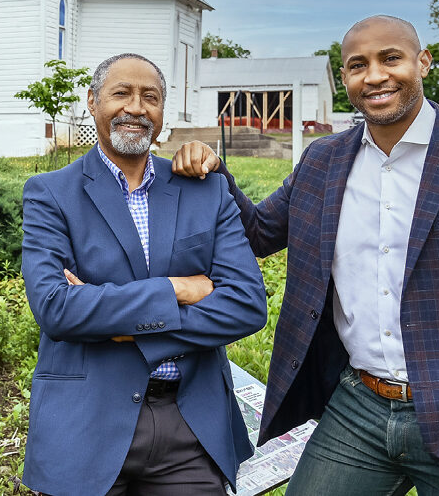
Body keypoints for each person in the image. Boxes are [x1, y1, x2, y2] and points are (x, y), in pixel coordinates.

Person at [171, 15, 439, 495]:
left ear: (422, 62)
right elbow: (258, 234)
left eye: (391, 58)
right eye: (357, 65)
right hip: (359, 405)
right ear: (345, 78)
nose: (375, 76)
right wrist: (215, 173)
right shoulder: (322, 161)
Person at [21, 53, 267, 496]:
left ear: (161, 112)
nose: (136, 107)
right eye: (121, 93)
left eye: (149, 97)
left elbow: (247, 306)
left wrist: (120, 322)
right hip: (85, 421)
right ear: (93, 101)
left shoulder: (205, 190)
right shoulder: (52, 193)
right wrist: (180, 289)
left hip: (189, 429)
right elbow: (57, 309)